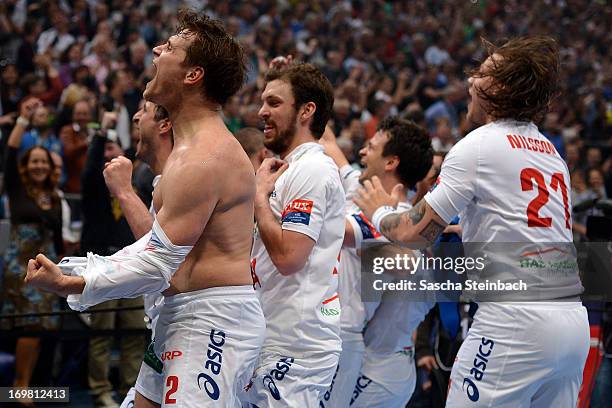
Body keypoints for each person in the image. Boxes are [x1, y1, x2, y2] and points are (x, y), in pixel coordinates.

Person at [25, 10, 266, 408]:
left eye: (170, 47)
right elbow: (154, 245)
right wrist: (77, 270)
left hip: (211, 321)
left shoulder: (206, 156)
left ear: (193, 75)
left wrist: (74, 284)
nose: (157, 49)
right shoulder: (189, 154)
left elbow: (157, 263)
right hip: (181, 314)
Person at [354, 36, 590, 407]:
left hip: (515, 321)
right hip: (572, 324)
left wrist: (379, 210)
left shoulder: (479, 144)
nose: (470, 82)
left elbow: (412, 235)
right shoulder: (551, 153)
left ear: (501, 88)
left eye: (481, 73)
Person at [243, 61, 345, 407]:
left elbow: (289, 257)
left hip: (296, 345)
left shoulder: (313, 169)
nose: (261, 112)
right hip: (275, 334)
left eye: (273, 103)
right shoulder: (291, 168)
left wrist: (259, 199)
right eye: (263, 101)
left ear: (306, 111)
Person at [318, 119, 433, 407]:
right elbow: (328, 142)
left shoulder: (405, 221)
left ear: (391, 162)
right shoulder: (360, 189)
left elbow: (405, 263)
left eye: (371, 146)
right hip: (356, 346)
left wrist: (374, 225)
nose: (362, 152)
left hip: (372, 362)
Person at [1, 97, 63, 401]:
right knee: (30, 323)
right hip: (20, 266)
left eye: (44, 161)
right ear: (27, 166)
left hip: (48, 266)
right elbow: (10, 153)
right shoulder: (17, 189)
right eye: (34, 161)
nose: (39, 165)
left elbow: (61, 239)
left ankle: (33, 387)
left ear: (51, 167)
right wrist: (23, 119)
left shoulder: (54, 197)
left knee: (42, 328)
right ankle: (20, 385)